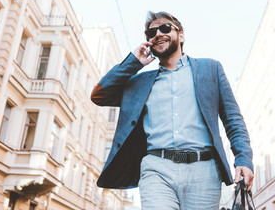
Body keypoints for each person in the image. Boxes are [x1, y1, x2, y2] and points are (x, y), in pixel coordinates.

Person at [90, 11, 254, 210]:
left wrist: (243, 159)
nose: (158, 33)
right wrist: (133, 62)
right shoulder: (140, 83)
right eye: (151, 33)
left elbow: (233, 119)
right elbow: (99, 95)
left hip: (204, 170)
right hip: (157, 169)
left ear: (181, 35)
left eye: (165, 28)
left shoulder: (210, 69)